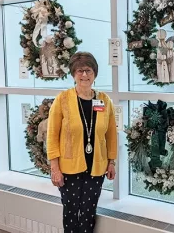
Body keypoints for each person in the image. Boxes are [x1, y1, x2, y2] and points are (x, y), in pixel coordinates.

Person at [46, 52, 117, 233]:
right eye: (80, 71)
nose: (84, 75)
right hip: (69, 168)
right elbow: (52, 135)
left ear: (95, 73)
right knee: (71, 211)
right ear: (73, 74)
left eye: (88, 70)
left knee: (88, 212)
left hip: (96, 167)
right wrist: (55, 168)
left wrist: (111, 161)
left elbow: (110, 134)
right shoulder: (62, 99)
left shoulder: (104, 100)